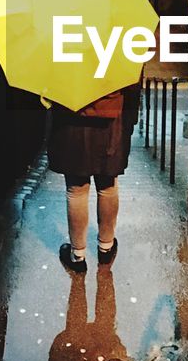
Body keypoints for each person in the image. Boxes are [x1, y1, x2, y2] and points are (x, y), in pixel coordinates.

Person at [47, 81, 141, 272]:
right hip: (111, 118)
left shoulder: (60, 48)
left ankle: (77, 255)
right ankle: (106, 249)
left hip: (71, 115)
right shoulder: (120, 49)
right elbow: (133, 83)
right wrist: (131, 117)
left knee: (76, 189)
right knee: (107, 185)